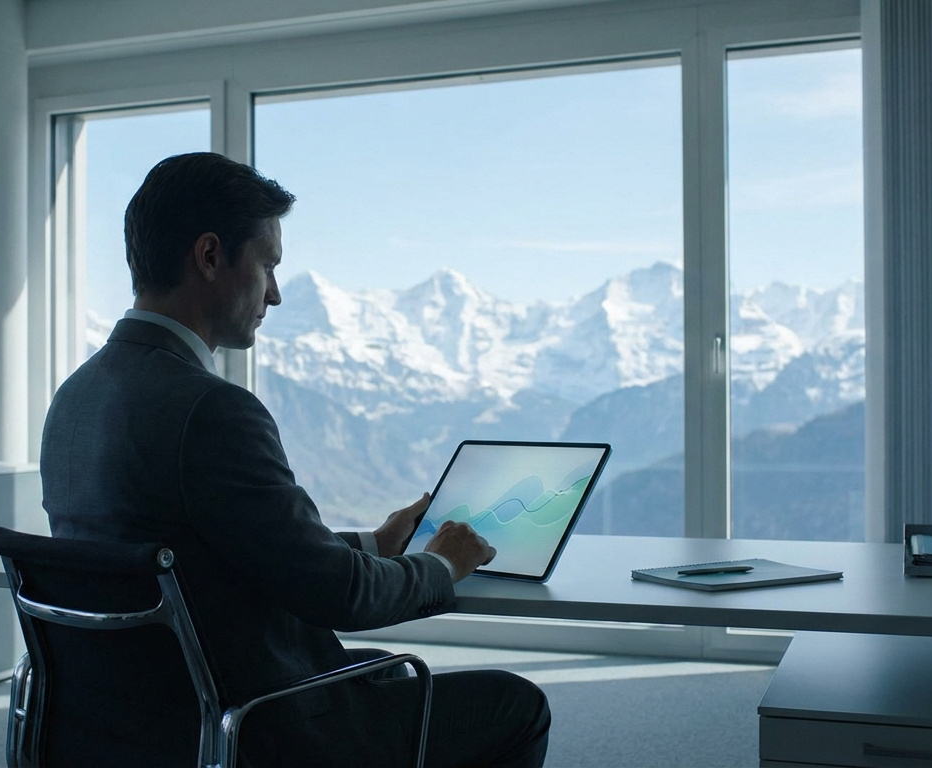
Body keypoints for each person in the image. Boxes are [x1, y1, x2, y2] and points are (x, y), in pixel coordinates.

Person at [40, 151, 550, 767]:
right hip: (258, 726)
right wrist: (440, 566)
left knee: (378, 678)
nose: (275, 294)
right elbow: (343, 600)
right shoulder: (212, 410)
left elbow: (209, 552)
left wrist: (373, 541)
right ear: (209, 257)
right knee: (515, 704)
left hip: (139, 720)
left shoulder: (73, 400)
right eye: (267, 265)